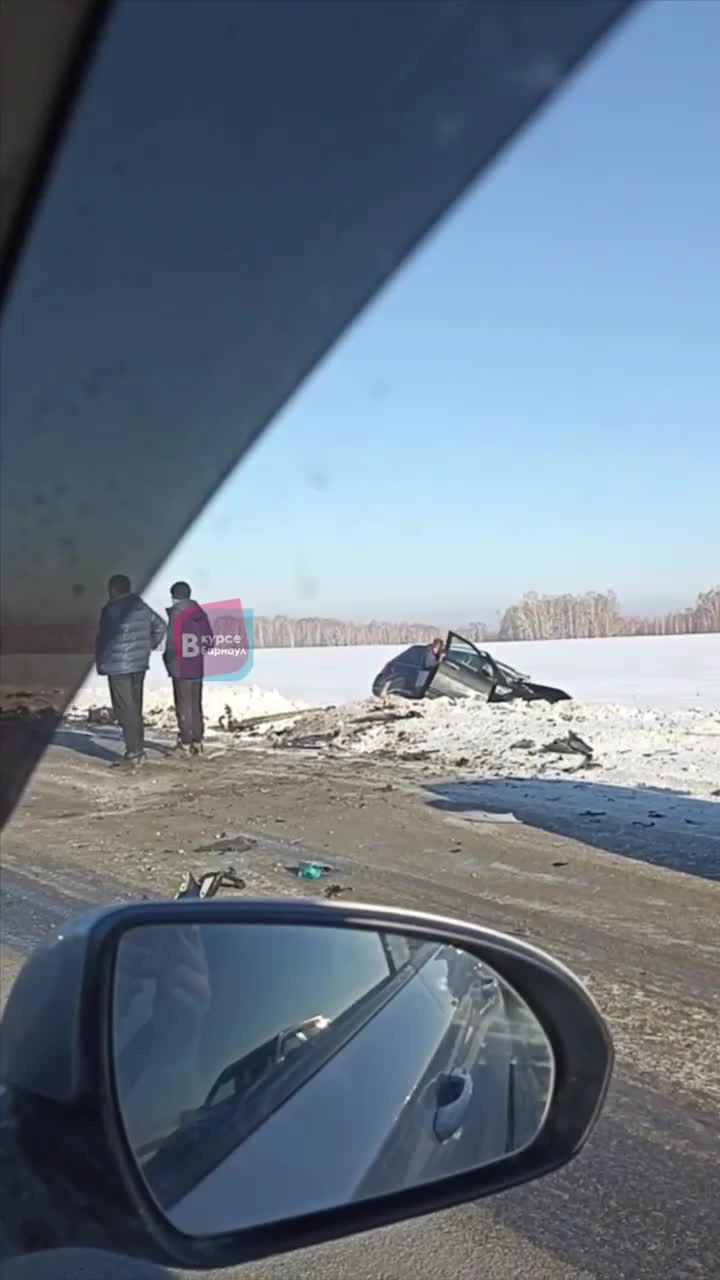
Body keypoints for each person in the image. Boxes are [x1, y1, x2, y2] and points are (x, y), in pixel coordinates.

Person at [95, 575, 167, 771]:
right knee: (134, 707)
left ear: (113, 589)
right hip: (138, 665)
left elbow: (103, 639)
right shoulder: (141, 606)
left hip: (118, 666)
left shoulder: (110, 609)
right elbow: (161, 626)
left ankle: (134, 754)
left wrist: (101, 661)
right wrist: (147, 646)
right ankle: (138, 750)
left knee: (125, 710)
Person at [162, 581, 214, 756]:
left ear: (175, 597)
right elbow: (209, 641)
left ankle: (185, 742)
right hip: (197, 665)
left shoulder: (177, 614)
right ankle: (198, 741)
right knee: (195, 703)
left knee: (183, 704)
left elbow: (171, 643)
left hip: (180, 665)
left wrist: (168, 660)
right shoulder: (200, 613)